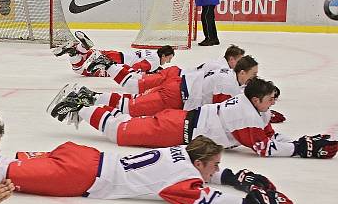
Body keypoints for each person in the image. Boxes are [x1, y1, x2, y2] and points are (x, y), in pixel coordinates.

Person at [0, 135, 294, 204]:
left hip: (84, 155)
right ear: (199, 162)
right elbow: (204, 203)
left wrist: (231, 177)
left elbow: (201, 173)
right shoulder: (182, 175)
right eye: (214, 165)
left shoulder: (180, 151)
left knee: (3, 160)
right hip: (80, 175)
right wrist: (251, 202)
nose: (214, 171)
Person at [68, 77, 338, 159]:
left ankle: (86, 104)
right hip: (177, 128)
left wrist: (299, 141)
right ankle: (80, 106)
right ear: (256, 100)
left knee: (127, 125)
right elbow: (263, 147)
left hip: (183, 122)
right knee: (121, 133)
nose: (273, 103)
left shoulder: (255, 108)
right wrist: (302, 149)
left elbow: (268, 134)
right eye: (270, 99)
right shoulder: (245, 114)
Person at [53, 55, 259, 119]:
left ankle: (90, 93)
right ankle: (89, 95)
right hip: (175, 92)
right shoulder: (228, 84)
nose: (255, 78)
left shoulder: (221, 67)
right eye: (253, 74)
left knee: (132, 96)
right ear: (241, 71)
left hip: (177, 81)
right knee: (132, 103)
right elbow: (222, 113)